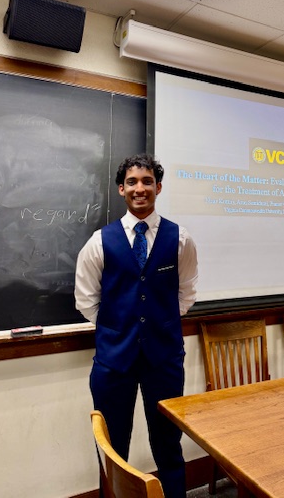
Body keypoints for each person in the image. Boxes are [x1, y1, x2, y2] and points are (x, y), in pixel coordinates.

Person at [75, 153, 198, 498]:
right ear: (121, 189)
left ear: (158, 187)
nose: (139, 188)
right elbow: (86, 300)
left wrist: (158, 323)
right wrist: (119, 328)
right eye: (132, 182)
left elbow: (187, 292)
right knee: (113, 452)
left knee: (168, 445)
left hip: (164, 359)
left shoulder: (180, 239)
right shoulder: (99, 242)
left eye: (147, 181)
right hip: (113, 363)